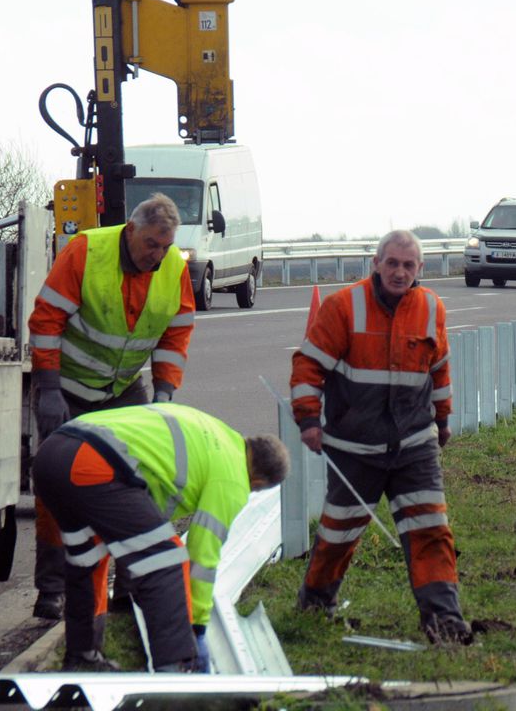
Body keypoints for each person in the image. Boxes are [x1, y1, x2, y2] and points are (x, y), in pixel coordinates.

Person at [289, 229, 472, 644]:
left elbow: (438, 367)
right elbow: (307, 366)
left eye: (408, 265)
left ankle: (444, 622)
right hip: (355, 450)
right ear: (376, 263)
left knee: (430, 529)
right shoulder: (343, 306)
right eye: (392, 263)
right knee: (339, 533)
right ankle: (315, 605)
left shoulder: (431, 307)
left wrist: (442, 420)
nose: (399, 272)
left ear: (420, 270)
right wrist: (308, 420)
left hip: (414, 446)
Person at [27, 193, 197, 620]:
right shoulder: (87, 250)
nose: (157, 256)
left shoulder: (173, 267)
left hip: (122, 389)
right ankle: (51, 589)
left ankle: (127, 586)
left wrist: (164, 393)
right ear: (132, 231)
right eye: (151, 246)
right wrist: (47, 388)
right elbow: (47, 319)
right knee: (58, 485)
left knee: (137, 482)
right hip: (66, 386)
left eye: (164, 247)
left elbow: (176, 334)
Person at [32, 403, 289, 671]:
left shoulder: (218, 434)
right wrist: (197, 627)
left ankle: (82, 656)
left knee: (88, 560)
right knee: (166, 561)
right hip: (92, 462)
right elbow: (202, 555)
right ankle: (176, 668)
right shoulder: (234, 477)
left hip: (53, 454)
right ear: (258, 483)